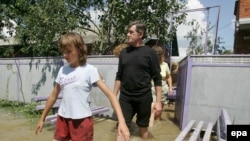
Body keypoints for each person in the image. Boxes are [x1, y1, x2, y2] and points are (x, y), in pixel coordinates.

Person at [35, 32, 130, 141]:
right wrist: (42, 119)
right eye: (63, 52)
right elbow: (53, 95)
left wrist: (122, 122)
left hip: (82, 120)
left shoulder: (90, 70)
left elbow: (111, 95)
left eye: (69, 51)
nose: (65, 55)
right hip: (62, 118)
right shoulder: (63, 70)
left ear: (80, 49)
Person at [113, 21, 162, 139]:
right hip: (126, 97)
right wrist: (113, 95)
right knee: (122, 126)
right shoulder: (124, 53)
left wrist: (158, 102)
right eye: (128, 32)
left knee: (143, 128)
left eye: (131, 32)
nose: (128, 34)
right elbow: (119, 75)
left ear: (140, 34)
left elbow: (157, 78)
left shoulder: (150, 53)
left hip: (144, 97)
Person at [149, 45, 173, 127]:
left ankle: (158, 124)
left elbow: (169, 77)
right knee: (152, 108)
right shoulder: (149, 64)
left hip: (163, 88)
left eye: (159, 55)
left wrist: (170, 87)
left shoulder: (165, 65)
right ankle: (150, 127)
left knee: (159, 110)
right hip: (152, 87)